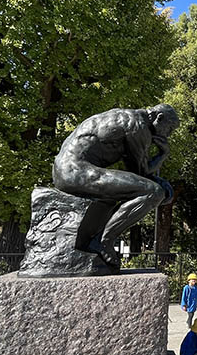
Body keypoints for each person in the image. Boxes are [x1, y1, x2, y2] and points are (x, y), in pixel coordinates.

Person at [52, 105, 178, 268]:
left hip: (65, 170)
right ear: (159, 118)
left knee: (145, 189)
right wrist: (163, 154)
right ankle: (104, 241)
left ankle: (99, 237)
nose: (168, 135)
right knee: (153, 193)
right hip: (75, 171)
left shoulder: (125, 116)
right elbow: (141, 172)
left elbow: (138, 174)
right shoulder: (138, 126)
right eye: (169, 129)